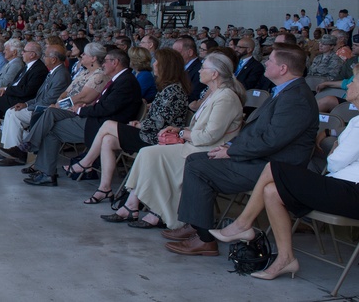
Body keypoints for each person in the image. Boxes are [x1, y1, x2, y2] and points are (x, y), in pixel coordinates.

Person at [164, 43, 318, 257]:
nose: (265, 62)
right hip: (261, 160)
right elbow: (259, 133)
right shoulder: (286, 92)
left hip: (274, 168)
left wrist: (232, 151)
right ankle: (197, 227)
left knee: (198, 166)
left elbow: (272, 141)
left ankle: (204, 237)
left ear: (283, 69)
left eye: (271, 60)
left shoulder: (296, 98)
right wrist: (230, 146)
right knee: (197, 161)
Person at [210, 64, 359, 281]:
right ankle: (285, 258)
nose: (349, 85)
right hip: (342, 187)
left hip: (351, 192)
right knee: (272, 191)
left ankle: (243, 224)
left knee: (273, 168)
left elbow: (336, 163)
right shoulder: (355, 121)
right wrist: (336, 149)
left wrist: (335, 150)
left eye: (354, 81)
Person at [104, 52, 245, 228]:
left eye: (203, 68)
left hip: (207, 152)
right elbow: (202, 130)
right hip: (195, 146)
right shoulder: (216, 95)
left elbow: (209, 136)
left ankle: (155, 212)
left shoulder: (226, 97)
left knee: (152, 155)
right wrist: (180, 129)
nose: (199, 71)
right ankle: (133, 205)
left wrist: (181, 134)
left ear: (214, 74)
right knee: (148, 153)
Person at [66, 47, 191, 203]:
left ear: (166, 66)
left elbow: (160, 123)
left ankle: (86, 163)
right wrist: (140, 123)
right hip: (150, 131)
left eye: (157, 62)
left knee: (108, 125)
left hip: (157, 138)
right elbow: (159, 118)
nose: (154, 65)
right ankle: (104, 188)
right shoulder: (168, 88)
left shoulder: (173, 91)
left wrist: (140, 126)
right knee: (108, 140)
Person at [23, 49, 143, 187]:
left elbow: (106, 109)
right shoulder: (121, 80)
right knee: (50, 113)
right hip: (96, 119)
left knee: (51, 130)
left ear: (115, 63)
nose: (102, 64)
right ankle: (38, 157)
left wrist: (81, 109)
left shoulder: (125, 82)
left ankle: (45, 171)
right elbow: (105, 106)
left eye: (105, 61)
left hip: (101, 125)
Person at [0, 44, 71, 164]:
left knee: (14, 114)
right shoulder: (54, 72)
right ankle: (11, 150)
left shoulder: (61, 75)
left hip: (45, 110)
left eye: (45, 55)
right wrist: (26, 104)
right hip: (38, 105)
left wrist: (29, 106)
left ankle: (17, 154)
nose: (43, 58)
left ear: (53, 59)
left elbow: (48, 100)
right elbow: (39, 96)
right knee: (12, 111)